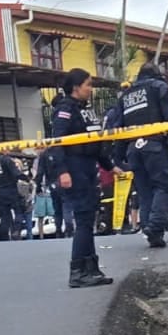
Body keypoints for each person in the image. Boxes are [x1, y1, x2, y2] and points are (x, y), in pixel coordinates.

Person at [50, 68, 118, 288]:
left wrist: (110, 166)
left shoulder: (85, 110)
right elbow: (57, 142)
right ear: (76, 87)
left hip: (89, 168)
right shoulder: (65, 110)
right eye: (88, 84)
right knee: (83, 219)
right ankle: (78, 270)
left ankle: (91, 268)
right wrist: (63, 171)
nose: (91, 89)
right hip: (74, 167)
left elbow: (95, 143)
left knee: (89, 219)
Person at [112, 62, 168, 248]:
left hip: (133, 149)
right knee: (165, 184)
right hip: (154, 145)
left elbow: (119, 126)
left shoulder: (126, 95)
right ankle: (155, 227)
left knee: (145, 190)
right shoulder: (159, 87)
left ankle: (151, 232)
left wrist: (118, 155)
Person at [0, 150, 24, 241]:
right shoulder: (7, 160)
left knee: (4, 216)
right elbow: (16, 174)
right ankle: (16, 230)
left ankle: (5, 236)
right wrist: (27, 179)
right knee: (19, 211)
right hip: (11, 190)